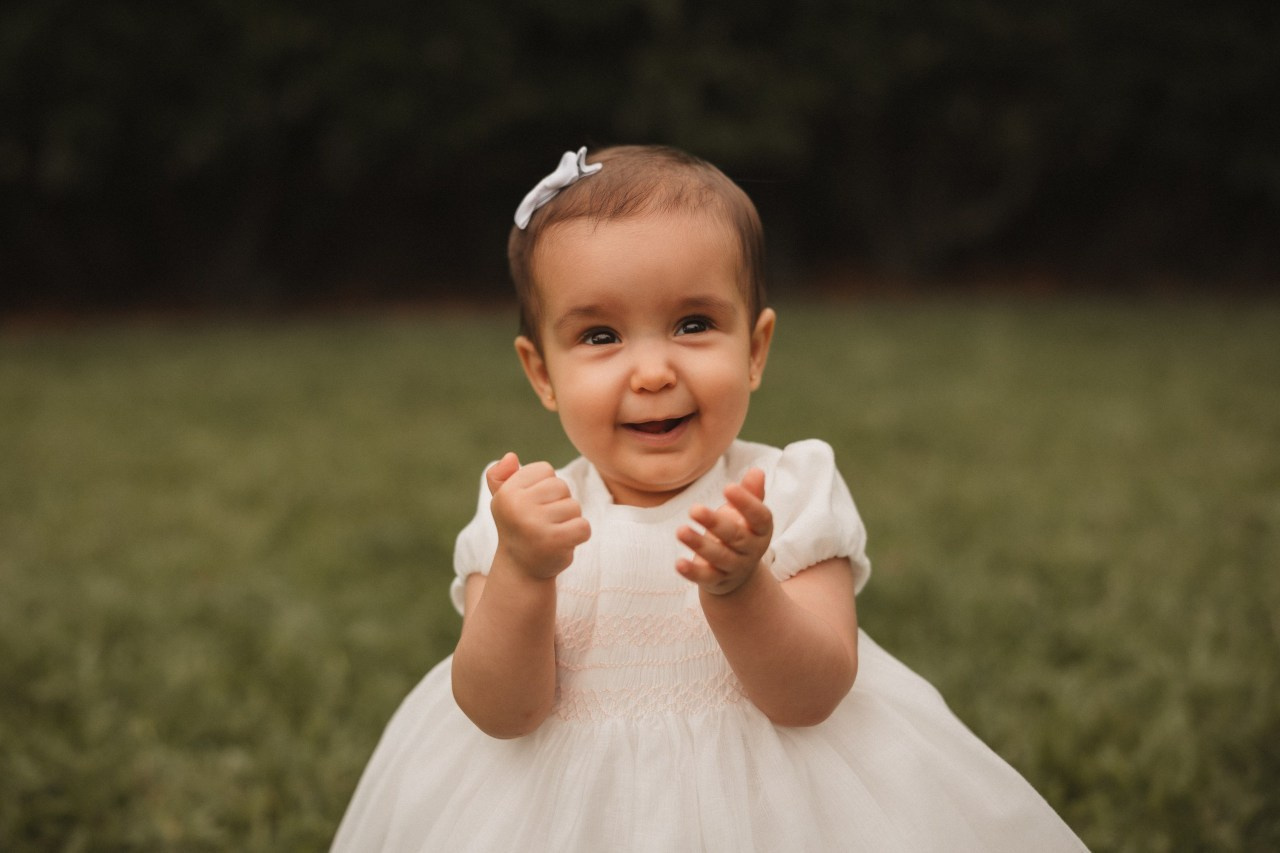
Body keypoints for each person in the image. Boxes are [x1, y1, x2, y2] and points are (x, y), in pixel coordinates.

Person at [331, 145, 1087, 851]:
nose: (654, 370)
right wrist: (525, 573)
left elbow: (811, 695)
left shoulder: (785, 495)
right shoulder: (526, 512)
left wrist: (741, 586)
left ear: (754, 349)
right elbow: (504, 713)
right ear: (542, 372)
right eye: (600, 336)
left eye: (694, 324)